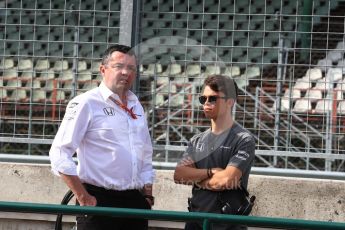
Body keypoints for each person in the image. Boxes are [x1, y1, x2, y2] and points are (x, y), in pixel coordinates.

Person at [49, 44, 155, 230]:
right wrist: (83, 197)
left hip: (135, 203)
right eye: (118, 66)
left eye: (131, 68)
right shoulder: (86, 103)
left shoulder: (136, 104)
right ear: (103, 69)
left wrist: (147, 195)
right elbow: (59, 154)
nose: (125, 72)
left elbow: (145, 153)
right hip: (99, 201)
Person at [174, 74, 255, 230]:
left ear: (230, 102)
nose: (206, 103)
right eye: (203, 99)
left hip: (228, 224)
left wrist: (197, 179)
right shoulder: (197, 140)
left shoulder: (243, 139)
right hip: (196, 222)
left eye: (213, 99)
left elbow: (226, 180)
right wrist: (211, 172)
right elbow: (180, 175)